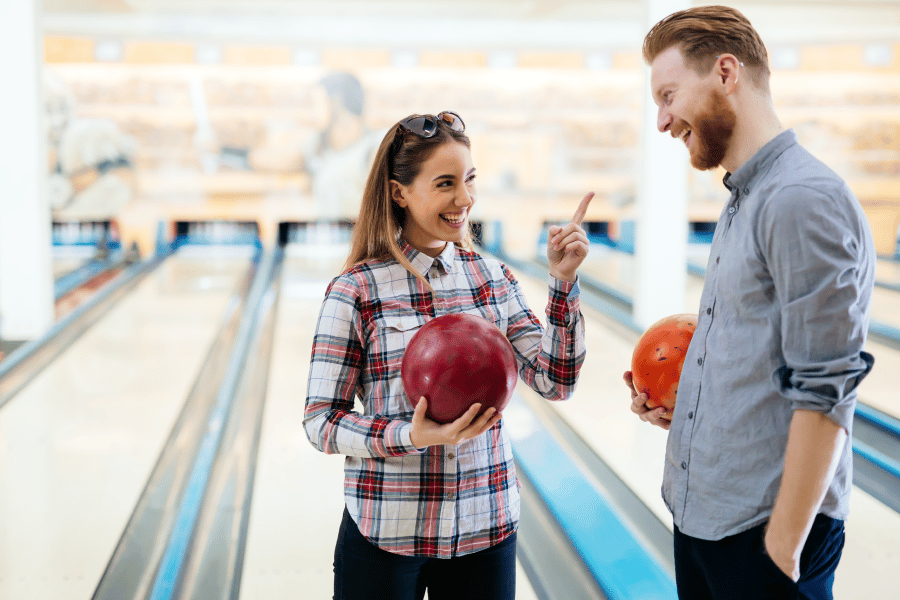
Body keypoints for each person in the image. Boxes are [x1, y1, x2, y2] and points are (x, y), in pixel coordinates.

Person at [624, 6, 876, 599]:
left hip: (761, 539)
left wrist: (778, 556)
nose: (661, 120)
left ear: (726, 73)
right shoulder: (746, 196)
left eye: (667, 94)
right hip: (711, 524)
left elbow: (826, 388)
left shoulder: (800, 199)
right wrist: (686, 416)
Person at [304, 111, 592, 599]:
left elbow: (555, 382)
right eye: (445, 184)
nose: (464, 199)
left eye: (470, 180)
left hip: (486, 525)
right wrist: (409, 435)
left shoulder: (492, 279)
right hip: (388, 530)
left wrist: (562, 282)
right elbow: (320, 422)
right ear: (400, 192)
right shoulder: (356, 291)